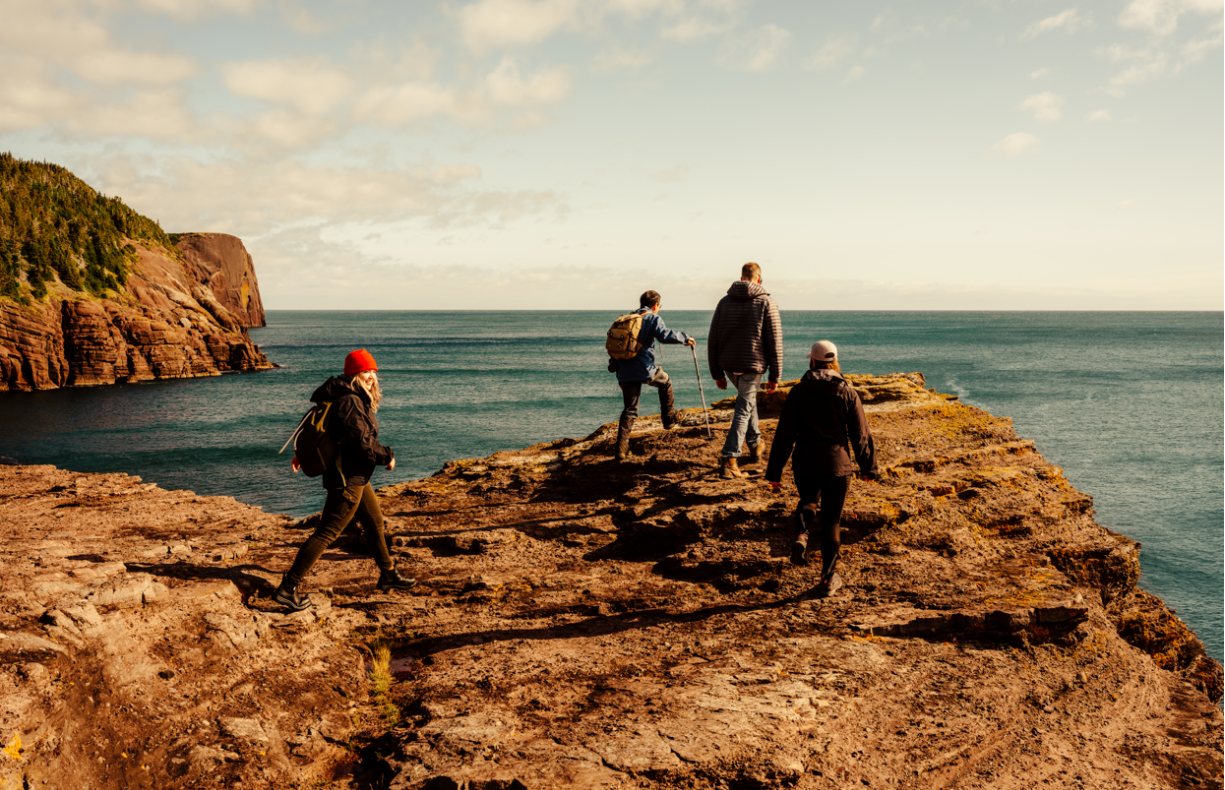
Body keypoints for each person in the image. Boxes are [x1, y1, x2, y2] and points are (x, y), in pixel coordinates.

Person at [273, 349, 417, 611]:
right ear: (353, 375)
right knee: (326, 533)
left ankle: (388, 575)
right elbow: (363, 444)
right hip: (347, 478)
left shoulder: (344, 396)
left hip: (357, 476)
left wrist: (300, 454)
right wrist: (387, 456)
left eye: (373, 371)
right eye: (365, 372)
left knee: (374, 523)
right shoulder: (349, 401)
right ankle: (288, 587)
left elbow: (326, 430)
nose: (372, 377)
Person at [764, 340, 877, 598]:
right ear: (834, 362)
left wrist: (774, 473)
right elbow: (860, 434)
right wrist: (868, 467)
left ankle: (801, 534)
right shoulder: (847, 392)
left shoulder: (799, 392)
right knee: (832, 521)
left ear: (812, 362)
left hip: (805, 462)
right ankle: (827, 579)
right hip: (837, 466)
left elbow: (784, 435)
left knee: (808, 500)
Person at [707, 262, 783, 479]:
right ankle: (730, 457)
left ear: (741, 278)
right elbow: (774, 341)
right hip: (752, 364)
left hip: (729, 365)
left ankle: (756, 443)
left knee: (747, 402)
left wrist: (717, 372)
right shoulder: (767, 302)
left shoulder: (724, 302)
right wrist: (775, 375)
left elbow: (713, 339)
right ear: (759, 279)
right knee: (744, 407)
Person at [609, 290, 696, 461]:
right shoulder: (652, 318)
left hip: (624, 370)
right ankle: (669, 419)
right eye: (659, 306)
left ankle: (621, 449)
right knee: (665, 381)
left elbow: (616, 347)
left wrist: (618, 371)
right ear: (655, 305)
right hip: (644, 369)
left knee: (630, 409)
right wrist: (685, 338)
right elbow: (664, 335)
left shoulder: (626, 319)